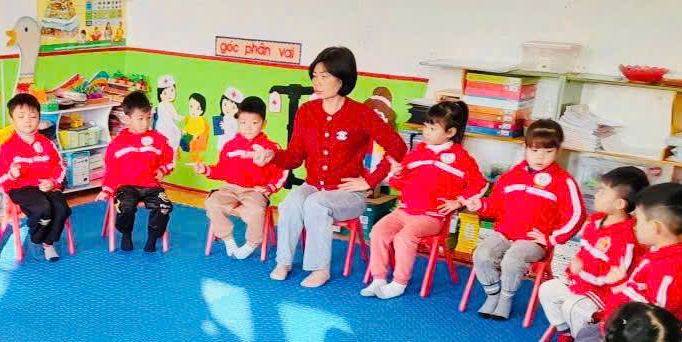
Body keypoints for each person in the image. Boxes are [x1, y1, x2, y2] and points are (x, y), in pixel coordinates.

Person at [263, 46, 407, 288]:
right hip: (313, 186)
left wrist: (370, 181)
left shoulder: (361, 113)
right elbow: (295, 157)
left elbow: (397, 146)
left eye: (324, 76)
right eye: (314, 76)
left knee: (315, 204)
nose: (317, 82)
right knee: (290, 203)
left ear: (341, 80)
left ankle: (321, 269)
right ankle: (283, 262)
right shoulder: (306, 111)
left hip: (348, 194)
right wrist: (272, 155)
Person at [569, 182, 682, 342]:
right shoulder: (662, 252)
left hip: (635, 340)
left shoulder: (670, 268)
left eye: (638, 220)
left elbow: (654, 318)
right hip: (621, 320)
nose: (634, 225)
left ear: (655, 227)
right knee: (584, 335)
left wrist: (619, 285)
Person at [362, 101, 486, 299]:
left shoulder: (461, 158)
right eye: (425, 127)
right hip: (403, 211)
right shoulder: (417, 153)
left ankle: (399, 282)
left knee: (404, 238)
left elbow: (480, 183)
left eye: (432, 128)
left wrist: (459, 201)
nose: (426, 132)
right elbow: (398, 184)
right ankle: (379, 278)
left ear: (450, 132)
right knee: (378, 232)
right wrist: (398, 173)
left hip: (431, 217)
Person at [465, 119, 583, 320]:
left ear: (558, 151)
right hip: (504, 233)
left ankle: (506, 299)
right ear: (525, 148)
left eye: (548, 151)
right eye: (534, 150)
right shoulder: (511, 176)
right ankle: (493, 294)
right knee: (481, 254)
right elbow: (495, 205)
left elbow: (577, 215)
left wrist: (552, 238)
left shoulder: (563, 181)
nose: (540, 157)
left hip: (532, 240)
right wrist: (481, 205)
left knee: (512, 260)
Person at [537, 166, 648, 342]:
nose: (596, 195)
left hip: (602, 294)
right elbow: (584, 252)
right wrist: (574, 270)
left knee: (572, 306)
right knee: (547, 289)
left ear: (619, 204)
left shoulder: (625, 239)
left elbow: (611, 276)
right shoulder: (595, 223)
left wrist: (582, 270)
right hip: (580, 283)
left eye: (602, 192)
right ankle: (567, 331)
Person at [192, 95, 285, 260]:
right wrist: (204, 169)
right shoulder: (229, 146)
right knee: (212, 203)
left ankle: (252, 244)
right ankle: (228, 240)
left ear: (264, 124)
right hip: (230, 188)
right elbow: (221, 170)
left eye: (254, 123)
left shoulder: (271, 148)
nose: (248, 128)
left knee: (256, 211)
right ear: (238, 122)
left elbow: (283, 171)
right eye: (243, 123)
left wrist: (269, 188)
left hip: (254, 191)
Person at [0, 94, 69, 261]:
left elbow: (60, 166)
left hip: (46, 186)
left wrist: (53, 182)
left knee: (62, 209)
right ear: (12, 120)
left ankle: (48, 242)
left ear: (39, 118)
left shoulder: (47, 143)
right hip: (21, 189)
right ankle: (36, 238)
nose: (27, 121)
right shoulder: (6, 147)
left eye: (33, 116)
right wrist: (12, 174)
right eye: (21, 116)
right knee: (44, 208)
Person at [98, 91, 175, 252]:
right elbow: (111, 170)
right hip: (126, 187)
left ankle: (152, 239)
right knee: (125, 207)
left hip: (151, 186)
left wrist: (163, 169)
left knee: (164, 206)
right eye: (140, 119)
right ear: (127, 119)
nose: (145, 123)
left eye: (148, 118)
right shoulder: (117, 143)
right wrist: (107, 189)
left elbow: (169, 159)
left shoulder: (159, 139)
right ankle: (126, 235)